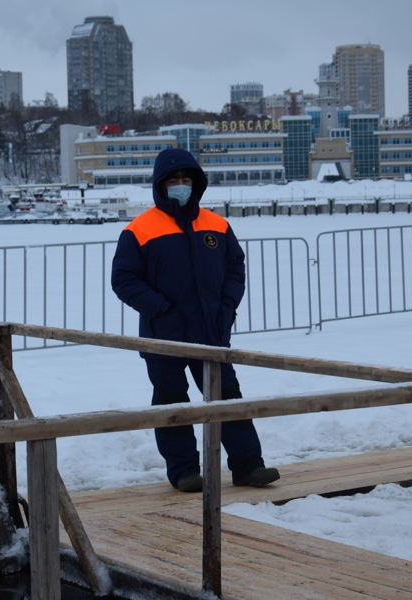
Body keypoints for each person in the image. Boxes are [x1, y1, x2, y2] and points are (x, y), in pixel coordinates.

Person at [111, 148, 280, 493]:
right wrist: (161, 308)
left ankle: (249, 466)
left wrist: (227, 307)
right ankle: (185, 470)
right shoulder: (139, 229)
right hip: (164, 335)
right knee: (172, 401)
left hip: (211, 333)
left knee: (228, 399)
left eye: (186, 179)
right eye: (173, 179)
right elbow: (124, 280)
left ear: (197, 183)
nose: (180, 184)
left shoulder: (216, 224)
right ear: (160, 184)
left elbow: (235, 268)